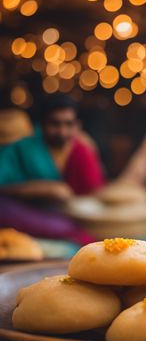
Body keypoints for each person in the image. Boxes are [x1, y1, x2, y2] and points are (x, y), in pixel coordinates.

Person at [0, 93, 105, 244]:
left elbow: (96, 195)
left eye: (68, 124)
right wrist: (39, 189)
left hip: (73, 217)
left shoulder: (82, 151)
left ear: (77, 125)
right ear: (41, 125)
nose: (62, 132)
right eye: (55, 124)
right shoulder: (23, 148)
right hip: (28, 211)